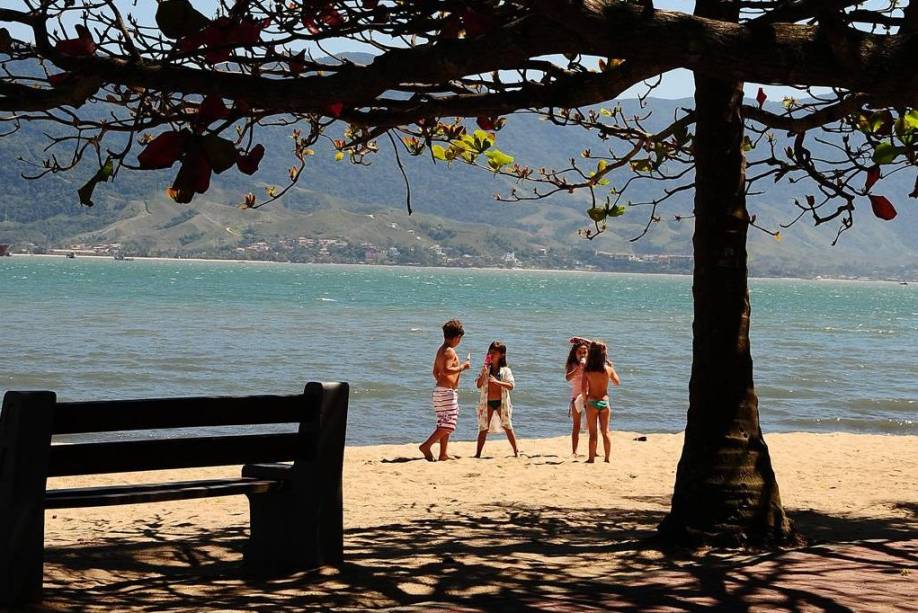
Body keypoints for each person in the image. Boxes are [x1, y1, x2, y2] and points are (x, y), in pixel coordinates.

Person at [420, 319, 470, 461]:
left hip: (440, 391)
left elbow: (435, 372)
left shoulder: (440, 350)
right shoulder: (450, 351)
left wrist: (442, 383)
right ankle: (426, 445)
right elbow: (447, 370)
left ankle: (443, 453)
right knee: (449, 424)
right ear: (457, 337)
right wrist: (463, 367)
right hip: (446, 392)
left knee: (444, 422)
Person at [473, 341, 518, 458]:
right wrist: (483, 373)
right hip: (487, 402)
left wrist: (497, 382)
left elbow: (512, 386)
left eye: (494, 352)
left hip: (501, 402)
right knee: (483, 428)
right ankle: (478, 454)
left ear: (502, 355)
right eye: (490, 351)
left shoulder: (505, 370)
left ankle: (516, 452)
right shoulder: (485, 369)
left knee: (507, 426)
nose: (491, 354)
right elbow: (478, 385)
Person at [582, 340, 621, 463]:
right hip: (604, 402)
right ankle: (607, 458)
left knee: (593, 434)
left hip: (592, 402)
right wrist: (612, 368)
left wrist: (585, 401)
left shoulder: (587, 370)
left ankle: (591, 458)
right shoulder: (608, 369)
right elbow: (617, 383)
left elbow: (583, 389)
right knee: (606, 432)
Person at [565, 339, 590, 455]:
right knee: (576, 425)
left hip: (590, 397)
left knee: (592, 425)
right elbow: (568, 378)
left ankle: (593, 451)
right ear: (575, 353)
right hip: (576, 398)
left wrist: (582, 339)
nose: (582, 354)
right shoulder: (572, 364)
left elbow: (599, 348)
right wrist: (579, 367)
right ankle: (574, 451)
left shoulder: (591, 363)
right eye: (580, 352)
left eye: (585, 352)